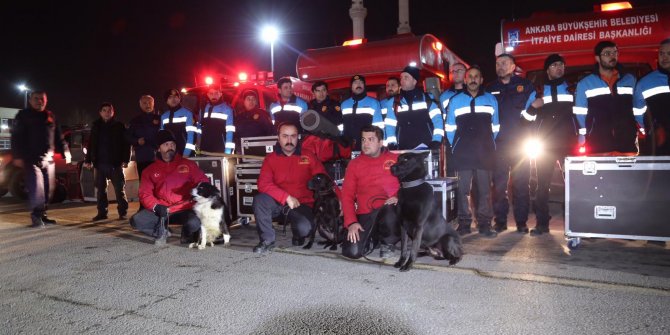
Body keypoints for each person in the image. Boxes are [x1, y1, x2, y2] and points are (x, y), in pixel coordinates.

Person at [252, 122, 332, 253]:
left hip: (303, 204)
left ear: (298, 137)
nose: (289, 140)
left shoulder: (309, 156)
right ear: (278, 138)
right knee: (260, 200)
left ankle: (297, 233)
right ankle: (267, 240)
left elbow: (325, 179)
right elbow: (263, 184)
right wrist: (286, 197)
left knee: (304, 229)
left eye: (293, 136)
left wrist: (340, 202)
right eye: (285, 136)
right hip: (278, 203)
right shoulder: (270, 159)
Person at [522, 54, 578, 236]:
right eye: (554, 65)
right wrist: (532, 108)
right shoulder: (538, 91)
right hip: (544, 145)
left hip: (569, 143)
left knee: (573, 184)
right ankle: (542, 224)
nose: (559, 68)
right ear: (547, 69)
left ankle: (575, 223)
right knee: (542, 186)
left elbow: (580, 115)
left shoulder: (572, 89)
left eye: (561, 64)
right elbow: (525, 120)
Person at [445, 66, 500, 238]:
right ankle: (464, 224)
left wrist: (489, 143)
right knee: (462, 190)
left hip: (485, 152)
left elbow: (496, 127)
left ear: (481, 80)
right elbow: (449, 128)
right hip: (463, 153)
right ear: (466, 79)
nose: (473, 79)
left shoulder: (491, 99)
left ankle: (484, 224)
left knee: (484, 190)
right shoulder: (455, 100)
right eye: (470, 77)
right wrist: (457, 145)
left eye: (477, 76)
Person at [130, 130, 209, 245]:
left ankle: (187, 233)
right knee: (136, 220)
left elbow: (202, 181)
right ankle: (163, 231)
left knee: (194, 222)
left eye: (172, 144)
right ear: (158, 148)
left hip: (185, 208)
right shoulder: (149, 170)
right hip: (162, 211)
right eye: (166, 145)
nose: (170, 147)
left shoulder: (188, 164)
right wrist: (156, 206)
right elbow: (144, 194)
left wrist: (202, 191)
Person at [486, 54, 534, 234]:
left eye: (504, 63)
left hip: (521, 144)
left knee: (521, 185)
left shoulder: (526, 87)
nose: (500, 66)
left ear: (513, 67)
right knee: (499, 186)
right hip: (498, 145)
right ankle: (500, 221)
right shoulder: (490, 89)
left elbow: (533, 114)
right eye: (497, 63)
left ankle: (521, 222)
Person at [10, 91, 71, 228]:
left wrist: (65, 151)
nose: (39, 101)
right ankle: (36, 216)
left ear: (46, 100)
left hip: (48, 159)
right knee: (36, 188)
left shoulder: (50, 116)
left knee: (49, 189)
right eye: (36, 99)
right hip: (30, 158)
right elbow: (16, 137)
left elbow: (58, 137)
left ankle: (43, 214)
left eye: (42, 99)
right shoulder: (23, 116)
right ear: (30, 100)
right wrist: (17, 155)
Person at [574, 40, 643, 154]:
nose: (612, 56)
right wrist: (585, 135)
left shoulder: (630, 79)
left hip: (626, 143)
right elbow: (580, 114)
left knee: (628, 172)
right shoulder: (585, 84)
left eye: (615, 53)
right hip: (598, 145)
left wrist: (642, 129)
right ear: (597, 58)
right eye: (607, 53)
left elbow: (638, 107)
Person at [342, 125, 400, 259]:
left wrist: (398, 196)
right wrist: (351, 222)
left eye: (370, 139)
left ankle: (388, 242)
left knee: (390, 210)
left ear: (380, 143)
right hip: (365, 214)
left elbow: (408, 186)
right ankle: (373, 238)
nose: (365, 144)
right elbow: (347, 195)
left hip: (390, 212)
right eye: (363, 140)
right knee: (353, 252)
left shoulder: (396, 160)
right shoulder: (354, 164)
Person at [83, 103, 131, 221]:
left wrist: (125, 159)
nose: (107, 112)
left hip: (115, 164)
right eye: (104, 110)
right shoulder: (96, 126)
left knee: (119, 190)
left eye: (109, 110)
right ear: (100, 112)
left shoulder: (119, 126)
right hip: (99, 164)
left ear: (113, 112)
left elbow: (126, 144)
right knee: (100, 190)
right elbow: (91, 144)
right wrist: (88, 160)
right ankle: (102, 213)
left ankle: (122, 212)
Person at [384, 66, 444, 150]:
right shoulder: (393, 102)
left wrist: (436, 140)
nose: (402, 80)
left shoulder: (427, 99)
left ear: (414, 81)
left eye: (406, 77)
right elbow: (390, 125)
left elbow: (438, 121)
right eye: (401, 78)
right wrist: (392, 143)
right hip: (403, 148)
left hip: (426, 147)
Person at [634, 38, 670, 156]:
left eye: (669, 54)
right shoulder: (645, 83)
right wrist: (650, 130)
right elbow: (638, 112)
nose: (664, 57)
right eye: (661, 53)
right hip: (659, 144)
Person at [340, 75, 384, 151]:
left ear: (364, 86)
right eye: (355, 83)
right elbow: (341, 127)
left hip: (367, 147)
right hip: (347, 147)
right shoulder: (344, 104)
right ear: (351, 86)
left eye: (361, 82)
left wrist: (380, 146)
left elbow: (378, 127)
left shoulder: (373, 103)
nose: (358, 85)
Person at [439, 62, 467, 177]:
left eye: (459, 70)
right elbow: (442, 118)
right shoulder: (444, 96)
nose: (455, 73)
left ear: (466, 73)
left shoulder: (472, 93)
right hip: (451, 140)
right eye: (452, 71)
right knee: (451, 171)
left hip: (469, 138)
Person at [126, 95, 160, 181]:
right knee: (145, 182)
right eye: (144, 103)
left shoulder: (160, 119)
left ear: (153, 103)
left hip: (159, 158)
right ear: (140, 105)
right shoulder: (135, 121)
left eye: (149, 102)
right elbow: (128, 137)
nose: (147, 105)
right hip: (142, 157)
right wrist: (137, 141)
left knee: (159, 182)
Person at [233, 90, 274, 154]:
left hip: (261, 150)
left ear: (256, 102)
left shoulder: (263, 114)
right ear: (244, 101)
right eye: (248, 99)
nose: (251, 101)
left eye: (253, 99)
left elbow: (270, 131)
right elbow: (235, 135)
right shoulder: (239, 117)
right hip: (243, 151)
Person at [198, 85, 235, 155]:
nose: (213, 96)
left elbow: (230, 132)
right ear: (208, 95)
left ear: (220, 94)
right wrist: (198, 145)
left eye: (216, 93)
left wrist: (228, 152)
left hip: (220, 149)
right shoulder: (203, 109)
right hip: (204, 149)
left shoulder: (227, 109)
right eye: (211, 93)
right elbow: (199, 129)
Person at [160, 88, 197, 157]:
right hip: (170, 154)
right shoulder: (164, 116)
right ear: (166, 100)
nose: (173, 99)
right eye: (170, 97)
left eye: (176, 96)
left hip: (185, 154)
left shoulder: (188, 113)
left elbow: (191, 135)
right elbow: (162, 137)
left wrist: (186, 153)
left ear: (179, 98)